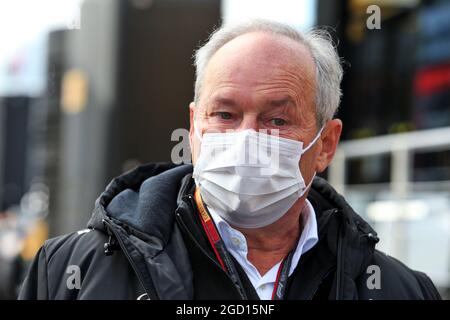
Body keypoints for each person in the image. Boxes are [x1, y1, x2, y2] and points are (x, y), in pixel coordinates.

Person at [19, 19, 441, 300]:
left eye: (277, 119)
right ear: (194, 124)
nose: (246, 139)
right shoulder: (69, 272)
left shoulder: (399, 290)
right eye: (225, 114)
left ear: (326, 145)